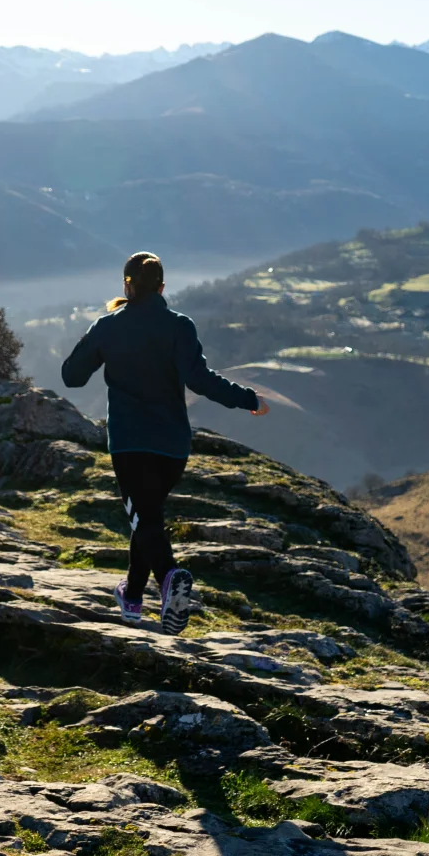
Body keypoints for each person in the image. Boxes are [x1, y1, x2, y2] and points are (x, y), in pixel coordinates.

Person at [62, 251, 269, 633]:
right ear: (161, 286)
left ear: (126, 284)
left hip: (129, 443)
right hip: (173, 447)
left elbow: (72, 376)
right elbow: (201, 380)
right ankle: (133, 596)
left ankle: (170, 578)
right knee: (149, 517)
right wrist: (249, 399)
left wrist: (92, 336)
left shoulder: (107, 327)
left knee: (145, 518)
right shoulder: (180, 326)